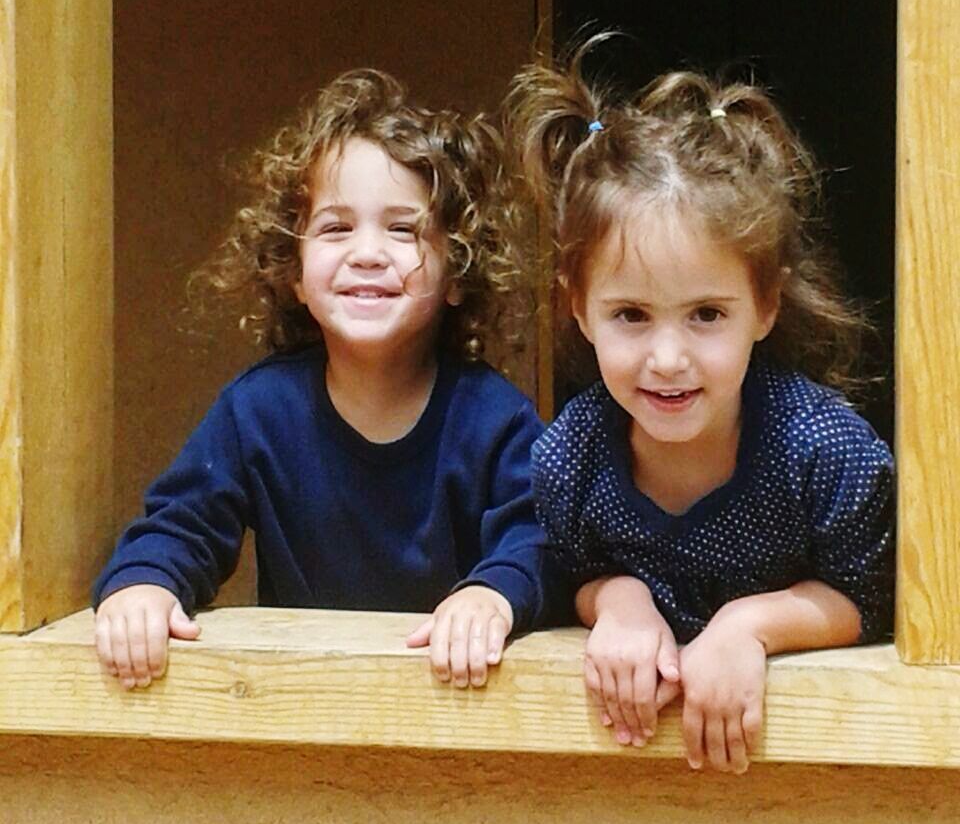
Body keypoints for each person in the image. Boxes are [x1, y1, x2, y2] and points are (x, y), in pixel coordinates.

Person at [508, 39, 894, 774]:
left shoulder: (826, 451)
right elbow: (569, 574)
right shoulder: (570, 456)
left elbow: (870, 601)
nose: (667, 358)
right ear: (578, 310)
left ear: (766, 304)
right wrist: (616, 601)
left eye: (706, 315)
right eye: (630, 316)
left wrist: (747, 628)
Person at [95, 69, 545, 692]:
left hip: (458, 712)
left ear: (457, 273)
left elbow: (544, 540)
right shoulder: (257, 412)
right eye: (337, 228)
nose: (367, 251)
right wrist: (144, 583)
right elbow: (182, 525)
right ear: (295, 273)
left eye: (403, 229)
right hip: (306, 709)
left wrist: (494, 594)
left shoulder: (496, 420)